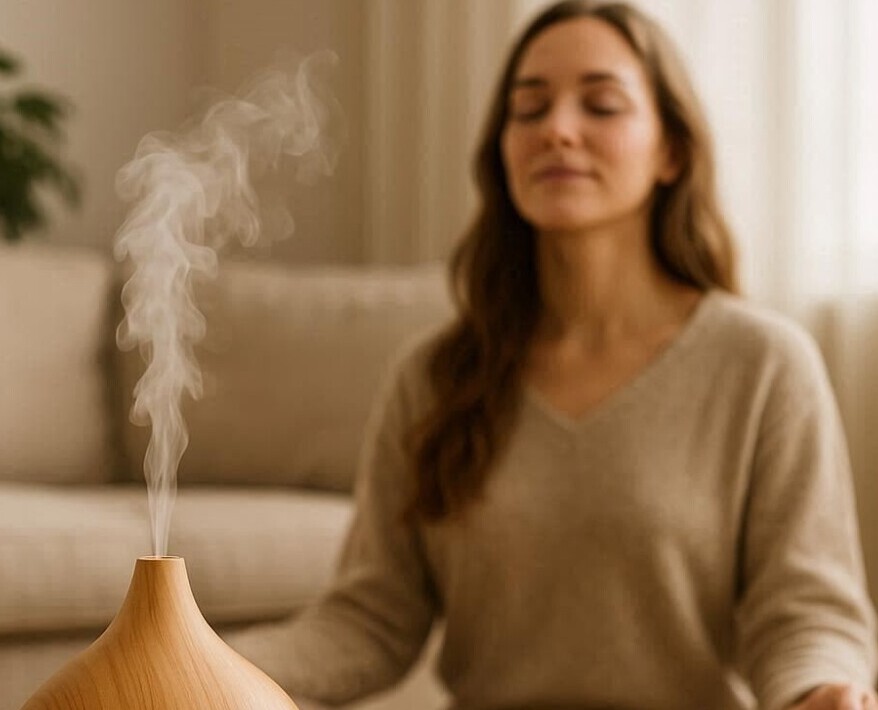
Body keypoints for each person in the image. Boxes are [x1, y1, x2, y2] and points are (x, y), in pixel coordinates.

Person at [230, 1, 878, 708]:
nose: (557, 131)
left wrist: (820, 691)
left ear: (671, 150)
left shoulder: (764, 366)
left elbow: (806, 609)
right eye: (528, 110)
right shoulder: (432, 377)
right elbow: (371, 618)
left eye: (601, 105)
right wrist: (208, 668)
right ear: (503, 151)